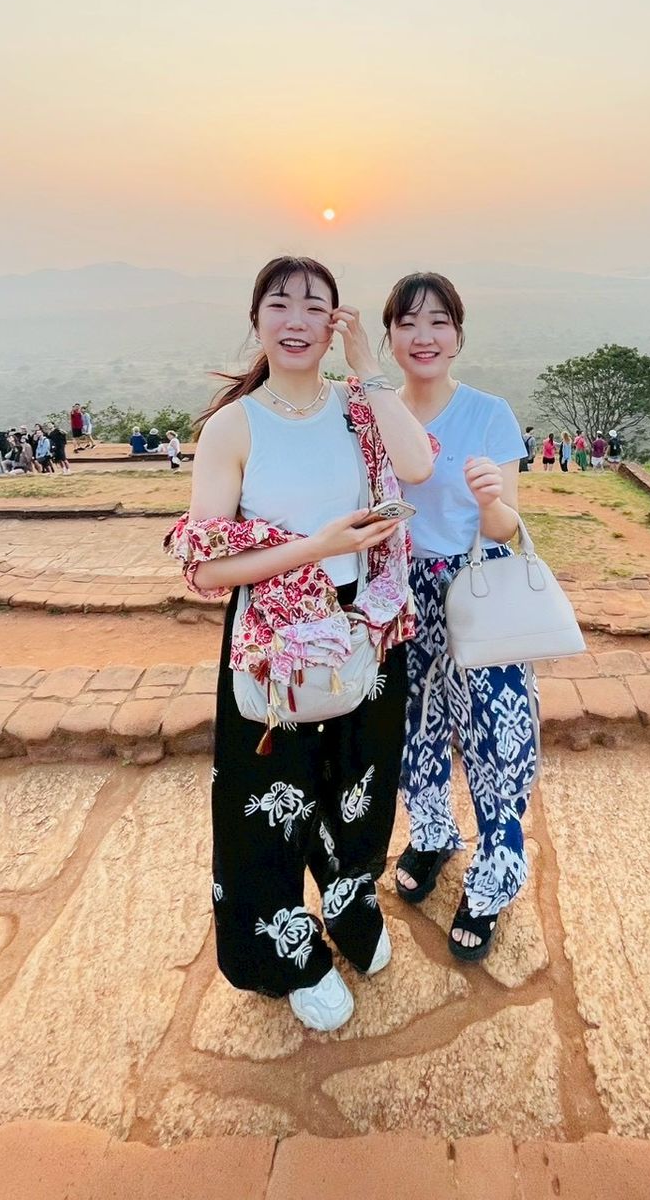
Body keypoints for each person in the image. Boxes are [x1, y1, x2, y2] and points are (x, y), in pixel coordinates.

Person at [165, 255, 433, 1033]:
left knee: (361, 781)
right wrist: (316, 547)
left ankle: (350, 905)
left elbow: (416, 464)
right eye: (279, 304)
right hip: (274, 638)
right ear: (256, 321)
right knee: (265, 802)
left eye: (316, 306)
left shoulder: (357, 408)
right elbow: (206, 567)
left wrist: (369, 366)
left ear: (334, 322)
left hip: (363, 624)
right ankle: (286, 952)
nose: (296, 320)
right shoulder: (233, 426)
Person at [384, 271, 539, 963]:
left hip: (476, 588)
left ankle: (492, 879)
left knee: (495, 741)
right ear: (390, 337)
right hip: (400, 594)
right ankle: (433, 834)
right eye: (408, 322)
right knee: (411, 732)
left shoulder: (488, 413)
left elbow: (508, 526)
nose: (424, 336)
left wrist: (489, 501)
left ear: (458, 335)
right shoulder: (377, 413)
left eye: (439, 321)